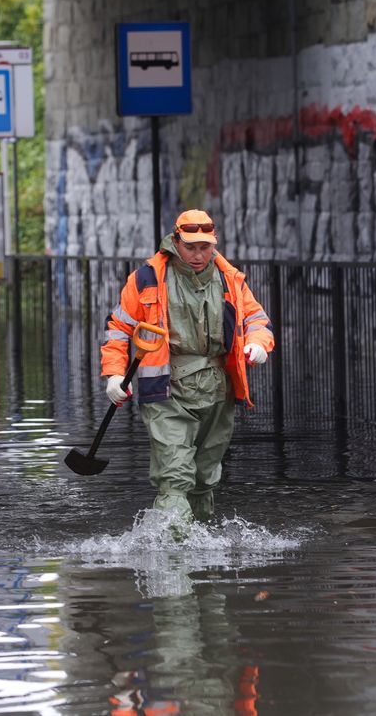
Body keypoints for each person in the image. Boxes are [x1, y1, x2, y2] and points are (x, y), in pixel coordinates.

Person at [99, 209, 274, 526]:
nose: (198, 254)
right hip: (167, 393)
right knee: (176, 477)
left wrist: (259, 343)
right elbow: (118, 329)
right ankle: (173, 561)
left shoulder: (229, 279)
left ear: (214, 242)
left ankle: (197, 555)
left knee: (206, 479)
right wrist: (114, 374)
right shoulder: (147, 279)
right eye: (190, 246)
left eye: (204, 247)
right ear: (175, 241)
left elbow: (257, 320)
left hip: (218, 393)